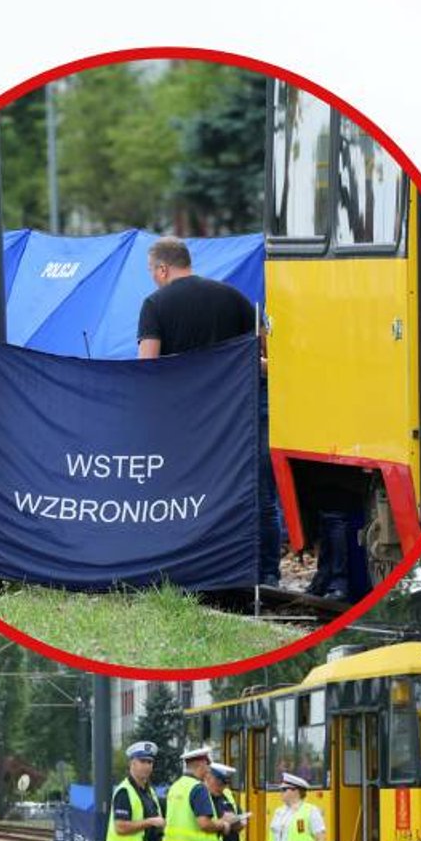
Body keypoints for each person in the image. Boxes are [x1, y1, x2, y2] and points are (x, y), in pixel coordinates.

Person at [137, 235, 278, 585]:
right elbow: (266, 354)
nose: (153, 277)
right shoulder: (234, 298)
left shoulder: (155, 304)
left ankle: (192, 570)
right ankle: (267, 573)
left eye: (152, 271)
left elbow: (147, 367)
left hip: (187, 417)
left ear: (163, 268)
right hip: (241, 411)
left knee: (188, 494)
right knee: (259, 492)